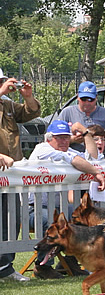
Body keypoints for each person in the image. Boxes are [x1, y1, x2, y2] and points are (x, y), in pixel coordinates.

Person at [30, 120, 105, 279]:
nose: (63, 141)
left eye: (66, 137)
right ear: (49, 138)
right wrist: (96, 173)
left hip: (58, 207)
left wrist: (85, 132)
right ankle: (42, 266)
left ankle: (70, 260)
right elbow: (75, 160)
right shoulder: (43, 149)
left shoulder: (67, 149)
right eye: (59, 138)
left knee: (80, 219)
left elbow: (93, 157)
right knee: (52, 224)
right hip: (33, 208)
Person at [0, 69, 40, 282]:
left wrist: (28, 97)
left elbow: (30, 113)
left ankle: (6, 267)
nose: (4, 84)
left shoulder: (6, 104)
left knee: (11, 219)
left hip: (11, 174)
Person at [58, 81, 105, 153]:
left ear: (96, 98)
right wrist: (73, 139)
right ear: (78, 97)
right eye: (83, 99)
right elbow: (54, 140)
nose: (87, 103)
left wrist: (101, 140)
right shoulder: (67, 113)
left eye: (91, 100)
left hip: (98, 158)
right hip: (72, 157)